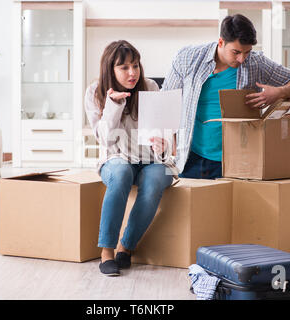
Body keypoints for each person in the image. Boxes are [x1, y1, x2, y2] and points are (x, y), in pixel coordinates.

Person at [163, 14, 290, 179]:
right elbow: (165, 101)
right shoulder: (188, 58)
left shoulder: (255, 63)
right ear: (221, 42)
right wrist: (170, 144)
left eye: (247, 52)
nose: (242, 59)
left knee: (231, 205)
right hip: (190, 157)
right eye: (236, 52)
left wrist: (279, 92)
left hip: (236, 160)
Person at [84, 40, 175, 276]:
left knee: (156, 179)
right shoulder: (95, 91)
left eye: (135, 65)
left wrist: (163, 145)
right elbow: (104, 139)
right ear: (110, 69)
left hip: (150, 160)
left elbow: (164, 135)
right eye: (124, 67)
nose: (132, 73)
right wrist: (113, 105)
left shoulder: (150, 87)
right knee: (122, 172)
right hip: (116, 158)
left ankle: (126, 246)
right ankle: (107, 252)